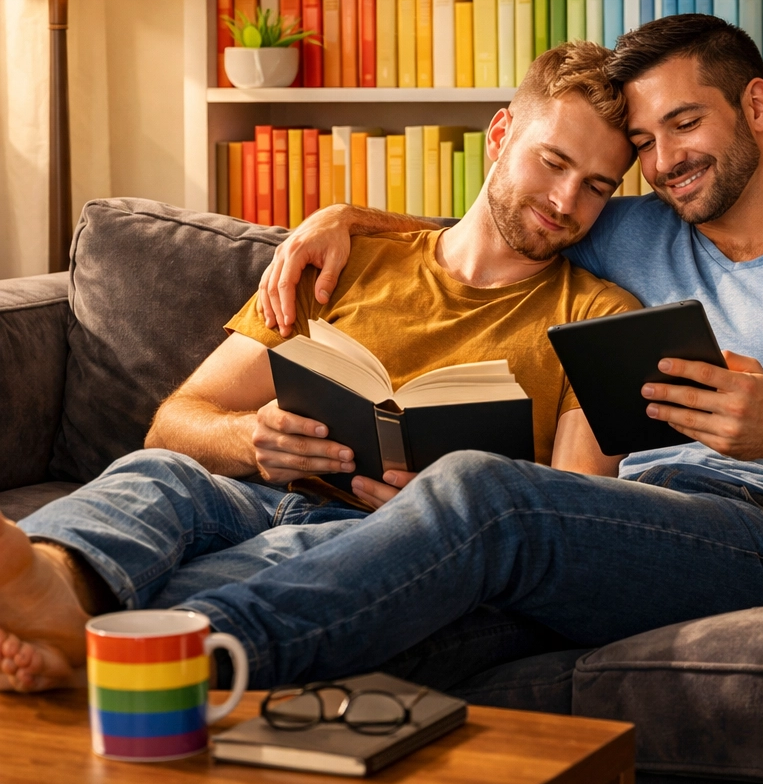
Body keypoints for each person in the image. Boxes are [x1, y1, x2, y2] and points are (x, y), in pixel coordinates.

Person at [0, 15, 763, 695]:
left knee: (486, 494)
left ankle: (170, 663)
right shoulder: (632, 229)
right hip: (620, 518)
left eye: (688, 122)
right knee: (293, 520)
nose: (667, 156)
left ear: (757, 107)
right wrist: (343, 217)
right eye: (646, 141)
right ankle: (66, 590)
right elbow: (502, 220)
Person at [0, 41, 640, 691]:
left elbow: (571, 524)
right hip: (254, 497)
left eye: (596, 187)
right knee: (158, 475)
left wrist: (445, 507)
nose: (565, 202)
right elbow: (171, 427)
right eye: (553, 161)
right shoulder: (344, 259)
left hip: (387, 545)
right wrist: (253, 437)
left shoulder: (601, 317)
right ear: (501, 133)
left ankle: (85, 641)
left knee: (265, 567)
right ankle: (47, 575)